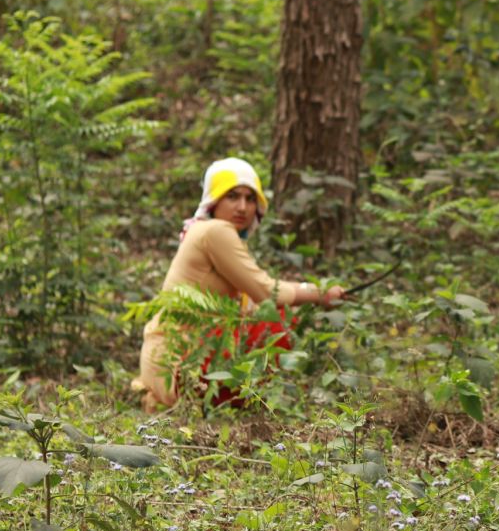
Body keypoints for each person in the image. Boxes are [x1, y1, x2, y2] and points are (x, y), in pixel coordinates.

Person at [132, 158, 346, 412]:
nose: (243, 207)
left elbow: (254, 299)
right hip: (178, 367)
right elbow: (266, 292)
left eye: (250, 198)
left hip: (168, 365)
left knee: (265, 317)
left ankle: (232, 401)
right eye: (232, 197)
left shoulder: (209, 232)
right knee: (276, 321)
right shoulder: (215, 231)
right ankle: (236, 402)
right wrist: (319, 294)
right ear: (214, 201)